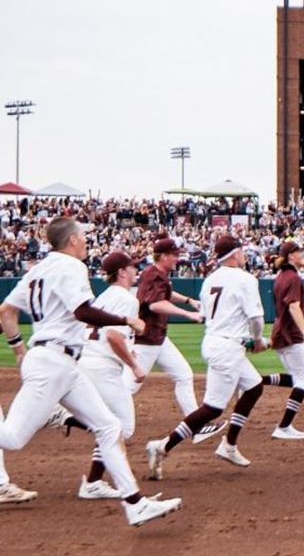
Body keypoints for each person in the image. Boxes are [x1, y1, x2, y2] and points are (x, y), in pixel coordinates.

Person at [0, 217, 182, 526]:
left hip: (61, 363)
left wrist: (19, 350)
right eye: (83, 236)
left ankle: (135, 503)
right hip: (53, 362)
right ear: (71, 240)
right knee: (13, 439)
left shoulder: (38, 270)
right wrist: (126, 321)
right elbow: (82, 311)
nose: (86, 240)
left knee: (110, 427)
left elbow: (6, 311)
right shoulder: (71, 267)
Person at [145, 235, 272, 479]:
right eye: (242, 251)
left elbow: (208, 312)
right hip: (227, 348)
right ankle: (162, 446)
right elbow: (256, 318)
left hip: (216, 341)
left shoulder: (210, 279)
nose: (245, 255)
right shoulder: (245, 279)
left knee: (254, 387)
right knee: (212, 408)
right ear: (234, 254)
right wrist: (256, 340)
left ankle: (229, 445)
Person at [133, 238, 225, 444]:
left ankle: (196, 426)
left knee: (184, 375)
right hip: (145, 340)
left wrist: (188, 300)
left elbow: (165, 294)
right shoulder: (154, 274)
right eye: (174, 255)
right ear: (164, 256)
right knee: (128, 387)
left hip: (157, 338)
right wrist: (188, 314)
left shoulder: (155, 273)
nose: (177, 258)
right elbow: (156, 305)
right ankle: (91, 415)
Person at [75, 251, 151, 500]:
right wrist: (134, 366)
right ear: (121, 272)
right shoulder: (126, 298)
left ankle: (94, 481)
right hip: (101, 368)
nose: (135, 271)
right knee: (122, 426)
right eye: (132, 267)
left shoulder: (104, 296)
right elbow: (113, 336)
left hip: (88, 362)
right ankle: (94, 482)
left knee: (108, 424)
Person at [265, 240, 304, 440]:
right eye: (299, 251)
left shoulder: (281, 277)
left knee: (296, 378)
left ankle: (256, 382)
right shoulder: (293, 278)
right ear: (291, 256)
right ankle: (284, 427)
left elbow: (292, 308)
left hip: (280, 333)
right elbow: (292, 307)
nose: (303, 254)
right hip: (291, 335)